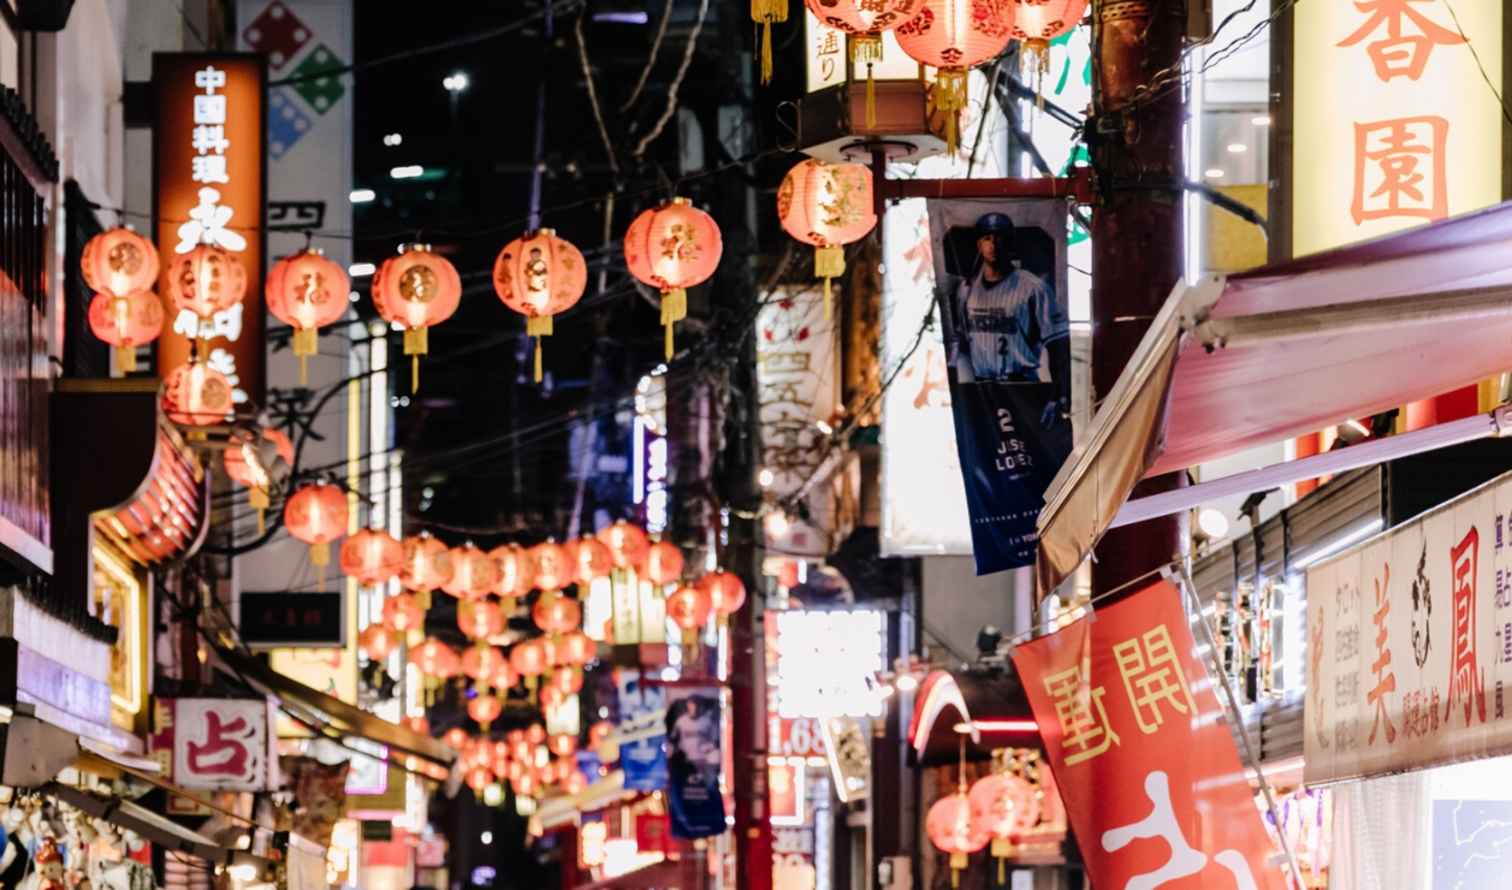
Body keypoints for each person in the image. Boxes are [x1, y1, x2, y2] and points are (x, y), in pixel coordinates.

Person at [950, 212, 1071, 426]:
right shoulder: (966, 290)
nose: (993, 244)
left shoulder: (1033, 288)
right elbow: (961, 346)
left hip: (1023, 387)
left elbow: (1058, 345)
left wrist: (1058, 395)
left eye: (1000, 237)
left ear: (1010, 241)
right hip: (982, 390)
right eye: (987, 238)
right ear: (979, 244)